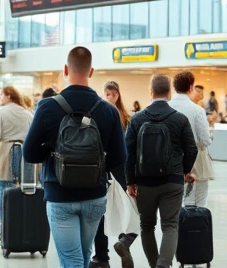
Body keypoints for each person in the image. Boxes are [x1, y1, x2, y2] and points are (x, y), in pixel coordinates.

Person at [23, 47, 127, 268]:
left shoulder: (47, 107)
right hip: (95, 196)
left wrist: (53, 153)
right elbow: (119, 157)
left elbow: (29, 153)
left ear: (65, 70)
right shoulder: (108, 110)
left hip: (59, 194)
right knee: (84, 254)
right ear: (91, 72)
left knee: (72, 260)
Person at [125, 75, 198, 268]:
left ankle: (153, 264)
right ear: (169, 93)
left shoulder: (137, 119)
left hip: (144, 182)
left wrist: (130, 182)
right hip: (172, 181)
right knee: (170, 226)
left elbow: (128, 154)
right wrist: (183, 171)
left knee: (147, 226)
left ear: (151, 93)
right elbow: (192, 149)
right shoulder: (179, 119)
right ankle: (163, 265)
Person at [93, 80, 138, 268]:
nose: (109, 97)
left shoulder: (120, 118)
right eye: (106, 93)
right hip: (117, 172)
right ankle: (119, 244)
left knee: (124, 211)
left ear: (118, 95)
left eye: (112, 94)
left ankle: (109, 251)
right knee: (114, 212)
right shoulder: (122, 117)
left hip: (112, 172)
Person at [0, 85, 32, 241]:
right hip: (24, 156)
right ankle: (22, 228)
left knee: (3, 194)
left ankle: (4, 230)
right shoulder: (27, 113)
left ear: (8, 95)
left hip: (4, 153)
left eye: (1, 94)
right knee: (22, 193)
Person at [168, 71, 213, 208]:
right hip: (194, 162)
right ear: (191, 87)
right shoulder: (197, 110)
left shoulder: (166, 107)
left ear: (174, 87)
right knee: (196, 202)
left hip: (169, 161)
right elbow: (205, 140)